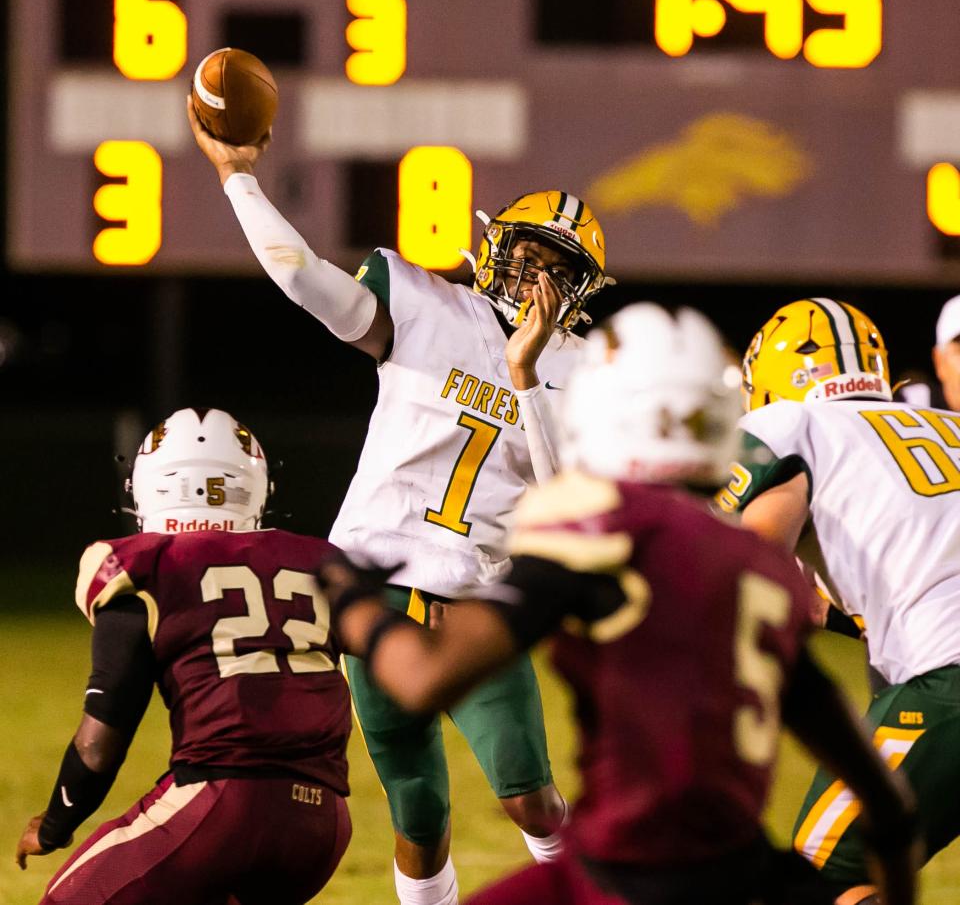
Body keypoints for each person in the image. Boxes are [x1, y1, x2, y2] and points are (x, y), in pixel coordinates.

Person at [319, 304, 919, 905]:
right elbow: (889, 805)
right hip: (744, 874)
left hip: (624, 875)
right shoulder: (764, 564)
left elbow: (425, 678)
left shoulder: (601, 533)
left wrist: (351, 603)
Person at [187, 102, 614, 904]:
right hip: (374, 587)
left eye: (559, 269)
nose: (537, 278)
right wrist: (236, 175)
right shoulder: (426, 305)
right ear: (494, 246)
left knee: (531, 796)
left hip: (481, 599)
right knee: (418, 810)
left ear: (582, 290)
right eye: (528, 253)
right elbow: (298, 274)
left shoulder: (585, 369)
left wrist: (524, 377)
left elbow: (566, 500)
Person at [15, 408, 353, 905]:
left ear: (147, 486)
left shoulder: (146, 563)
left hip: (221, 804)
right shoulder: (321, 559)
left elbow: (102, 735)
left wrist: (56, 823)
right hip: (323, 823)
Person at [726, 297, 960, 905]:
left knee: (825, 876)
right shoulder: (948, 426)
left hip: (948, 683)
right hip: (944, 662)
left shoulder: (790, 426)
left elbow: (748, 568)